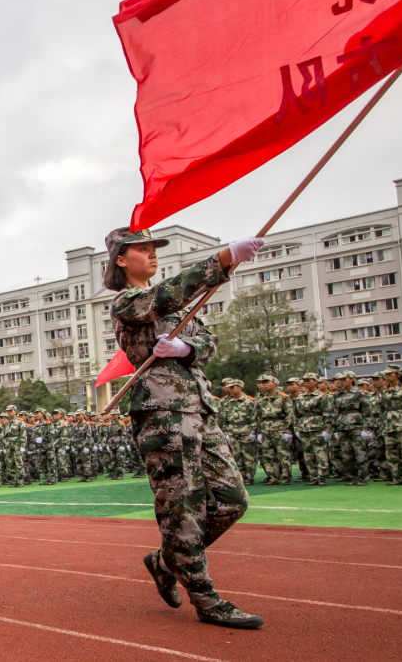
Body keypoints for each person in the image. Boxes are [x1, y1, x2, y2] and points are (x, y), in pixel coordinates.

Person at [107, 226, 263, 629]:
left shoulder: (178, 311)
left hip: (198, 409)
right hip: (162, 414)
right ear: (122, 260)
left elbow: (209, 344)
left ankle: (164, 561)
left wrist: (187, 348)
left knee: (232, 499)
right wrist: (223, 258)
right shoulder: (129, 302)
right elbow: (164, 296)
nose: (152, 254)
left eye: (153, 248)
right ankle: (206, 598)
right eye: (143, 249)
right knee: (183, 508)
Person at [377, 365, 402, 486]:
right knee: (391, 453)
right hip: (388, 425)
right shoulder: (384, 391)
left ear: (398, 375)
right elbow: (381, 409)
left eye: (390, 374)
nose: (387, 376)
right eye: (386, 374)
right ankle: (396, 478)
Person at [253, 375, 295, 486]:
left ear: (275, 383)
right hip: (266, 429)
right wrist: (258, 432)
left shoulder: (284, 398)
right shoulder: (261, 400)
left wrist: (288, 430)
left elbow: (289, 415)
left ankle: (286, 477)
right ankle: (273, 477)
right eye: (262, 382)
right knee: (268, 456)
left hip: (280, 428)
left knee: (283, 455)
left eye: (267, 382)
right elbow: (257, 416)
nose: (264, 384)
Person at [293, 374, 332, 486]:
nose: (305, 382)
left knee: (320, 452)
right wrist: (296, 428)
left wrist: (327, 429)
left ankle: (322, 476)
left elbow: (327, 413)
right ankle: (313, 476)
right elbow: (296, 415)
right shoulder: (300, 397)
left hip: (317, 427)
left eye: (308, 380)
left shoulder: (322, 396)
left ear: (315, 382)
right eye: (304, 380)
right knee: (308, 454)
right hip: (304, 427)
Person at [217, 381, 258, 485]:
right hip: (232, 431)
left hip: (245, 429)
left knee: (248, 455)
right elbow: (225, 419)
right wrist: (225, 432)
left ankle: (249, 477)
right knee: (236, 455)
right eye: (229, 387)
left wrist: (253, 431)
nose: (230, 389)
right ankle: (240, 477)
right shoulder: (227, 403)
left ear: (240, 387)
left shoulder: (249, 401)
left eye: (233, 387)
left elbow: (254, 418)